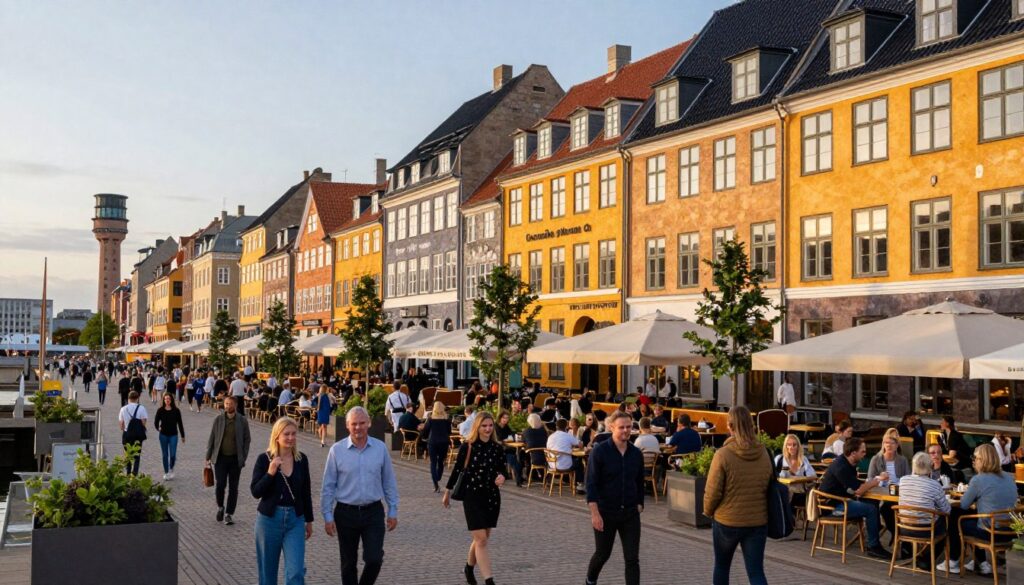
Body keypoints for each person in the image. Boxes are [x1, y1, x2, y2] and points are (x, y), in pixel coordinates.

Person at [321, 406, 399, 585]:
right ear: (347, 426)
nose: (358, 427)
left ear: (369, 423)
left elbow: (389, 481)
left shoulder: (380, 448)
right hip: (345, 512)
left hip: (373, 512)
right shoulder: (336, 450)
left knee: (374, 559)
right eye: (354, 424)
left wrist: (393, 510)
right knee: (348, 563)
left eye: (362, 423)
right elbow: (328, 486)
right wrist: (327, 515)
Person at [704, 406, 773, 585]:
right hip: (757, 521)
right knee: (756, 571)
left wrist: (708, 511)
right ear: (751, 425)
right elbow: (768, 483)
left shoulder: (723, 454)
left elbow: (713, 490)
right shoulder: (764, 453)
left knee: (722, 567)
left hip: (727, 520)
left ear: (730, 426)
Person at [443, 412, 506, 585]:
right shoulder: (468, 446)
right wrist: (447, 491)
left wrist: (501, 477)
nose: (487, 429)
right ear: (477, 426)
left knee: (481, 539)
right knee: (481, 540)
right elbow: (457, 470)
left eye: (490, 425)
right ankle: (489, 580)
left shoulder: (497, 447)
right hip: (472, 496)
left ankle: (468, 568)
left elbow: (503, 469)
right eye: (484, 426)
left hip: (491, 497)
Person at [939, 443, 1018, 576]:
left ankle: (953, 561)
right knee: (972, 517)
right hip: (1010, 531)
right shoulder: (1009, 477)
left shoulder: (979, 479)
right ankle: (981, 563)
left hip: (990, 532)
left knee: (956, 517)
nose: (973, 461)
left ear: (983, 460)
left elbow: (964, 504)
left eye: (975, 458)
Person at [584, 410, 644, 585]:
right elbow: (591, 484)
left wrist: (640, 503)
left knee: (632, 559)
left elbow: (640, 481)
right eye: (621, 427)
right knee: (603, 554)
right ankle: (590, 580)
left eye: (629, 427)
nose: (626, 430)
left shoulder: (635, 453)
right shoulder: (600, 451)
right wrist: (595, 513)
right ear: (611, 427)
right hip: (606, 512)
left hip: (630, 513)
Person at [252, 417, 314, 585]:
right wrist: (270, 473)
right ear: (276, 436)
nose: (291, 438)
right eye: (286, 434)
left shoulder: (301, 459)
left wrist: (309, 520)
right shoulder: (264, 459)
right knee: (268, 575)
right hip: (269, 521)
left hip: (295, 520)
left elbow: (306, 492)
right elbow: (256, 492)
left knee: (296, 572)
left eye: (294, 434)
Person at [818, 437, 890, 558]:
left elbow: (855, 486)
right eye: (862, 451)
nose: (865, 454)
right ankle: (873, 546)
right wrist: (877, 480)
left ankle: (874, 530)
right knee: (871, 509)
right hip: (832, 507)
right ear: (853, 453)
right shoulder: (841, 467)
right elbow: (859, 490)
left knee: (872, 502)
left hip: (841, 500)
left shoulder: (847, 462)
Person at [897, 452, 951, 571]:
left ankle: (914, 555)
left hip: (904, 528)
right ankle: (927, 560)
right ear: (930, 466)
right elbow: (946, 510)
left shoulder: (903, 481)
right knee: (946, 523)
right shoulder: (935, 485)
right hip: (926, 531)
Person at [205, 395, 252, 526]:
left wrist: (244, 455)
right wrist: (207, 458)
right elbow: (212, 439)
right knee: (220, 484)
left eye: (230, 404)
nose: (227, 406)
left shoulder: (242, 421)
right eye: (226, 404)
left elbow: (247, 439)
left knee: (233, 487)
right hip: (220, 458)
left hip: (235, 460)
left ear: (235, 405)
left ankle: (229, 514)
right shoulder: (218, 419)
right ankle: (220, 506)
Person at [775, 434, 816, 509]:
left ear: (798, 447)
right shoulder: (779, 459)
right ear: (785, 446)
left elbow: (813, 476)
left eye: (794, 445)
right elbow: (773, 475)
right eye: (789, 445)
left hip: (799, 493)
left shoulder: (803, 460)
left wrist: (799, 478)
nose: (792, 447)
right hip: (782, 493)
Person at [546, 419, 584, 493]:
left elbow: (548, 449)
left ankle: (549, 480)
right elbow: (580, 444)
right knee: (579, 463)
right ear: (566, 426)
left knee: (573, 461)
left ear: (556, 426)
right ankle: (580, 485)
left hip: (552, 465)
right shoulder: (568, 436)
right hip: (565, 465)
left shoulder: (550, 437)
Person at [154, 392, 185, 480]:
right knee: (165, 455)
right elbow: (156, 422)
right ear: (163, 400)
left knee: (173, 455)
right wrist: (158, 428)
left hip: (173, 435)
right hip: (163, 435)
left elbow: (180, 423)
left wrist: (183, 435)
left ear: (171, 400)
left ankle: (171, 468)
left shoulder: (176, 411)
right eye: (166, 399)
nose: (167, 400)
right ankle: (166, 472)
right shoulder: (160, 410)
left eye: (169, 399)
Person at [422, 401, 451, 492]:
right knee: (441, 461)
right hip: (443, 442)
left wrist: (424, 437)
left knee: (433, 462)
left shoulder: (430, 419)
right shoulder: (446, 420)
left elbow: (425, 430)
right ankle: (438, 476)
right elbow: (449, 431)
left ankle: (436, 484)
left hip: (433, 442)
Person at [118, 390, 148, 475]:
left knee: (128, 454)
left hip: (127, 434)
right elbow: (143, 422)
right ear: (137, 398)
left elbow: (121, 425)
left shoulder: (123, 409)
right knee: (137, 455)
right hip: (138, 435)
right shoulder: (142, 408)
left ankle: (128, 472)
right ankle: (135, 473)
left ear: (128, 398)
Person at [521, 413, 547, 483]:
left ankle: (529, 475)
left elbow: (523, 442)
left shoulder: (526, 431)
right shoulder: (543, 431)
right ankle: (538, 476)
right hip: (546, 457)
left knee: (525, 453)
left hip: (533, 458)